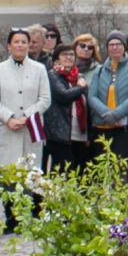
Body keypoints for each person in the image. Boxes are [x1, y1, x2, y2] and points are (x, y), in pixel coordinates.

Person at [0, 26, 50, 193]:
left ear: (29, 45)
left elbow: (45, 99)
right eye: (16, 42)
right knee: (8, 185)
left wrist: (27, 116)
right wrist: (9, 118)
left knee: (29, 183)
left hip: (30, 129)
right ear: (9, 46)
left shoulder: (39, 69)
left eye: (24, 42)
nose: (20, 45)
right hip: (6, 130)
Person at [87, 33, 128, 192]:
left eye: (118, 44)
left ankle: (124, 200)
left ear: (124, 47)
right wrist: (105, 113)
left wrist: (116, 114)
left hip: (127, 127)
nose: (114, 47)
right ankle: (103, 200)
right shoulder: (99, 70)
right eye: (111, 44)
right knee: (102, 167)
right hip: (103, 126)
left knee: (124, 166)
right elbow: (92, 96)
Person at [45, 46, 87, 174]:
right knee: (63, 171)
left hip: (78, 132)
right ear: (56, 59)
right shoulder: (53, 75)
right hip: (60, 132)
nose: (69, 57)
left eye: (71, 54)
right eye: (64, 54)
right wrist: (80, 88)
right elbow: (63, 96)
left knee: (78, 170)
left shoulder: (78, 76)